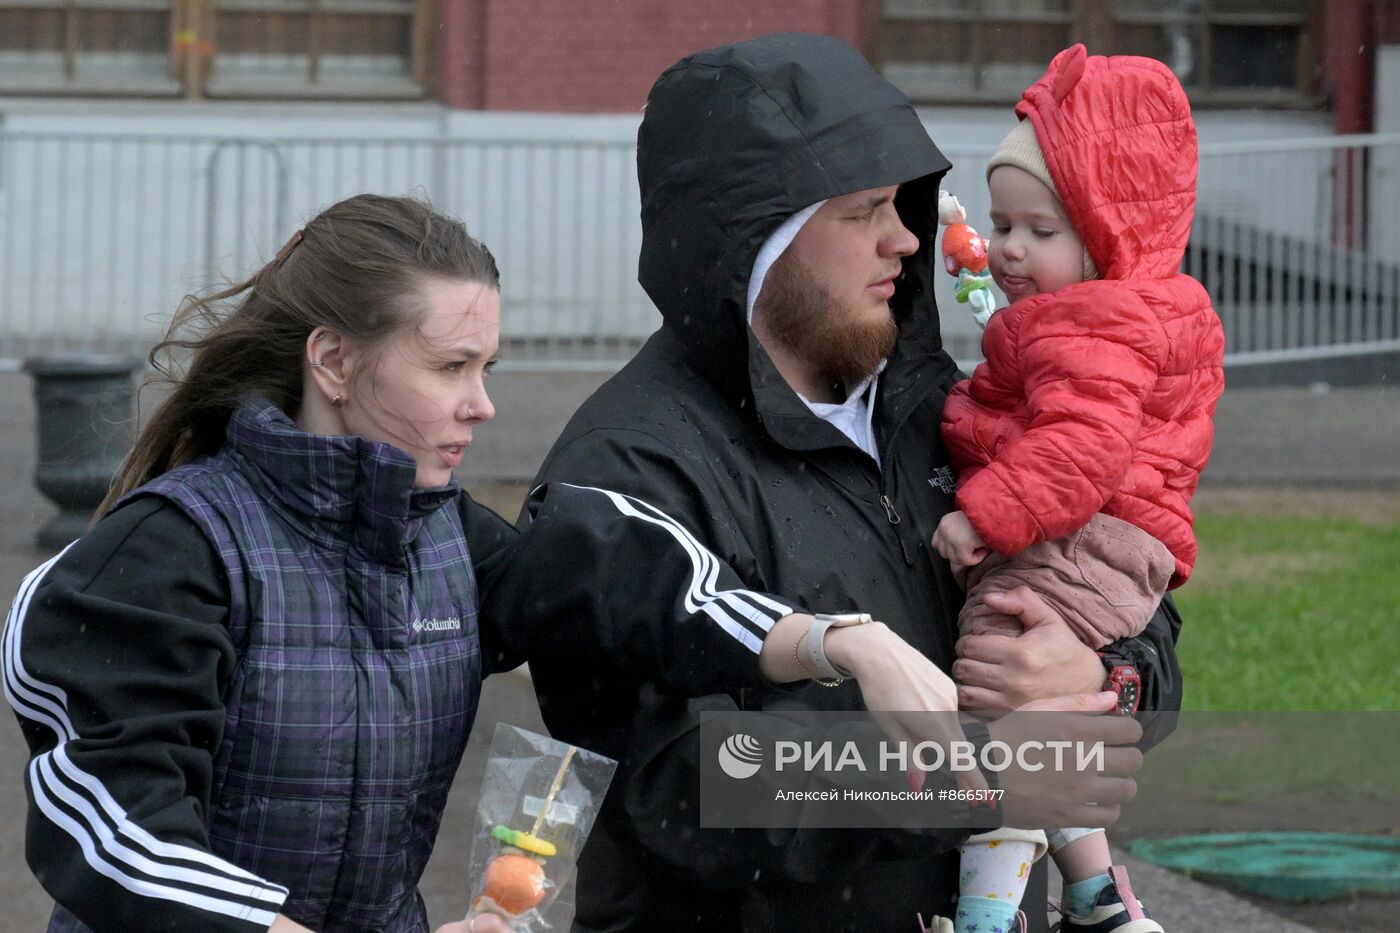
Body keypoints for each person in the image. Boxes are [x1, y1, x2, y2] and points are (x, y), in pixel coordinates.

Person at [488, 34, 1184, 932]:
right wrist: (972, 773)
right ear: (753, 243)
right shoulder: (630, 469)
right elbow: (672, 783)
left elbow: (1137, 595)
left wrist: (1103, 678)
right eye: (863, 210)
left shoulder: (953, 409)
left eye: (902, 203)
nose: (905, 238)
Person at [3, 194, 520, 933]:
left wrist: (750, 685)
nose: (482, 403)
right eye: (451, 366)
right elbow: (120, 835)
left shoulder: (449, 535)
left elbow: (623, 598)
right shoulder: (171, 545)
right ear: (334, 361)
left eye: (488, 368)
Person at [930, 45, 1224, 933]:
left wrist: (979, 513)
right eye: (1001, 224)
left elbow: (1080, 452)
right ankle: (1097, 895)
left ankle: (986, 912)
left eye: (1040, 232)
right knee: (1045, 717)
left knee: (998, 705)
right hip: (1125, 543)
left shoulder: (1094, 327)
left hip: (1078, 534)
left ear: (1104, 238)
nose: (1011, 249)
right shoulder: (1129, 307)